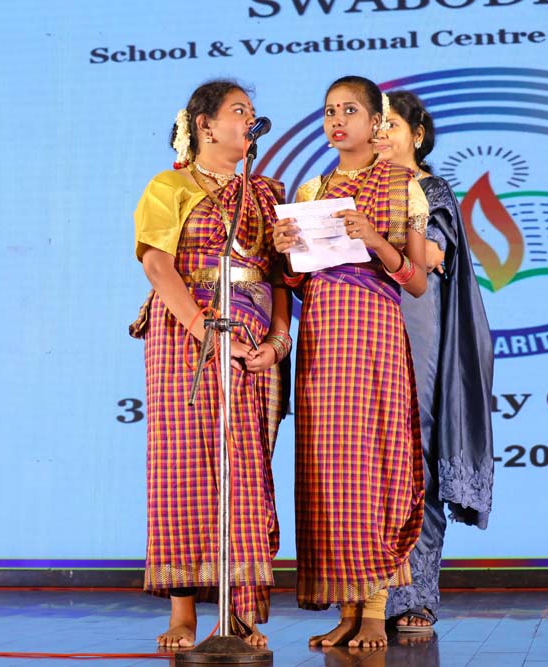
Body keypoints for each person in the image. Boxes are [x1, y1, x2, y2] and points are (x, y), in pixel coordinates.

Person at [130, 80, 291, 648]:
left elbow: (280, 277)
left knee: (244, 468)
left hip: (252, 339)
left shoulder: (268, 194)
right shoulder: (168, 186)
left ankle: (240, 614)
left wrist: (279, 339)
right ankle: (183, 614)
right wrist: (205, 332)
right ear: (204, 125)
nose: (250, 119)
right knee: (183, 467)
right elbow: (157, 265)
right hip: (185, 334)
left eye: (251, 111)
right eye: (238, 110)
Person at [273, 75, 428, 649]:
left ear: (376, 121)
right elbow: (294, 280)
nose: (337, 121)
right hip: (322, 337)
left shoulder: (404, 186)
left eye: (350, 111)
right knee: (328, 471)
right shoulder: (312, 190)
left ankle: (375, 611)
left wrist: (375, 240)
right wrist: (285, 249)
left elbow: (416, 282)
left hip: (374, 335)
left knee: (373, 464)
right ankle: (345, 609)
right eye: (329, 111)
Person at [374, 90, 494, 632]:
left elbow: (435, 256)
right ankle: (364, 603)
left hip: (414, 322)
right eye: (376, 124)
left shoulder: (429, 189)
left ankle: (414, 596)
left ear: (417, 134)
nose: (381, 134)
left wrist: (371, 238)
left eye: (392, 125)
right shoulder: (350, 188)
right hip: (359, 330)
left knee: (413, 452)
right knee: (363, 461)